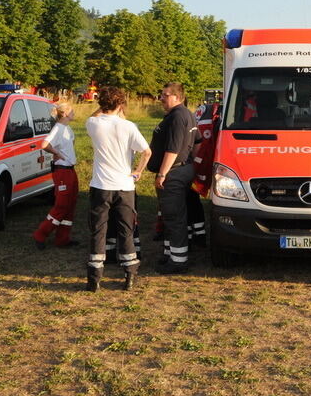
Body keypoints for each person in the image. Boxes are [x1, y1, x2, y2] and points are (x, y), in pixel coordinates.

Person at [84, 87, 151, 292]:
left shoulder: (92, 123)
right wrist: (137, 171)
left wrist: (102, 106)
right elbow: (147, 152)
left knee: (98, 231)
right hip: (124, 186)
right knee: (126, 231)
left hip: (101, 186)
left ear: (101, 103)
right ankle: (129, 275)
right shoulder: (128, 126)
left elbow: (94, 115)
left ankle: (94, 278)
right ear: (121, 104)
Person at [148, 82, 197, 274]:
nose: (161, 98)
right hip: (183, 169)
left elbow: (173, 149)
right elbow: (198, 142)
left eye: (165, 95)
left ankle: (178, 261)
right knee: (172, 215)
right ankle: (170, 253)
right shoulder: (188, 114)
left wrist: (162, 173)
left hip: (174, 172)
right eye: (161, 94)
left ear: (178, 97)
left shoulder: (177, 117)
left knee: (173, 216)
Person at [32, 102, 79, 249]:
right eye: (71, 110)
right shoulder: (58, 128)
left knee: (70, 204)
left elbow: (70, 143)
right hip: (62, 171)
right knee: (62, 204)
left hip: (70, 169)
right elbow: (45, 144)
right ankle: (41, 234)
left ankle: (62, 239)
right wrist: (57, 153)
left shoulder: (67, 128)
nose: (74, 112)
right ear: (64, 113)